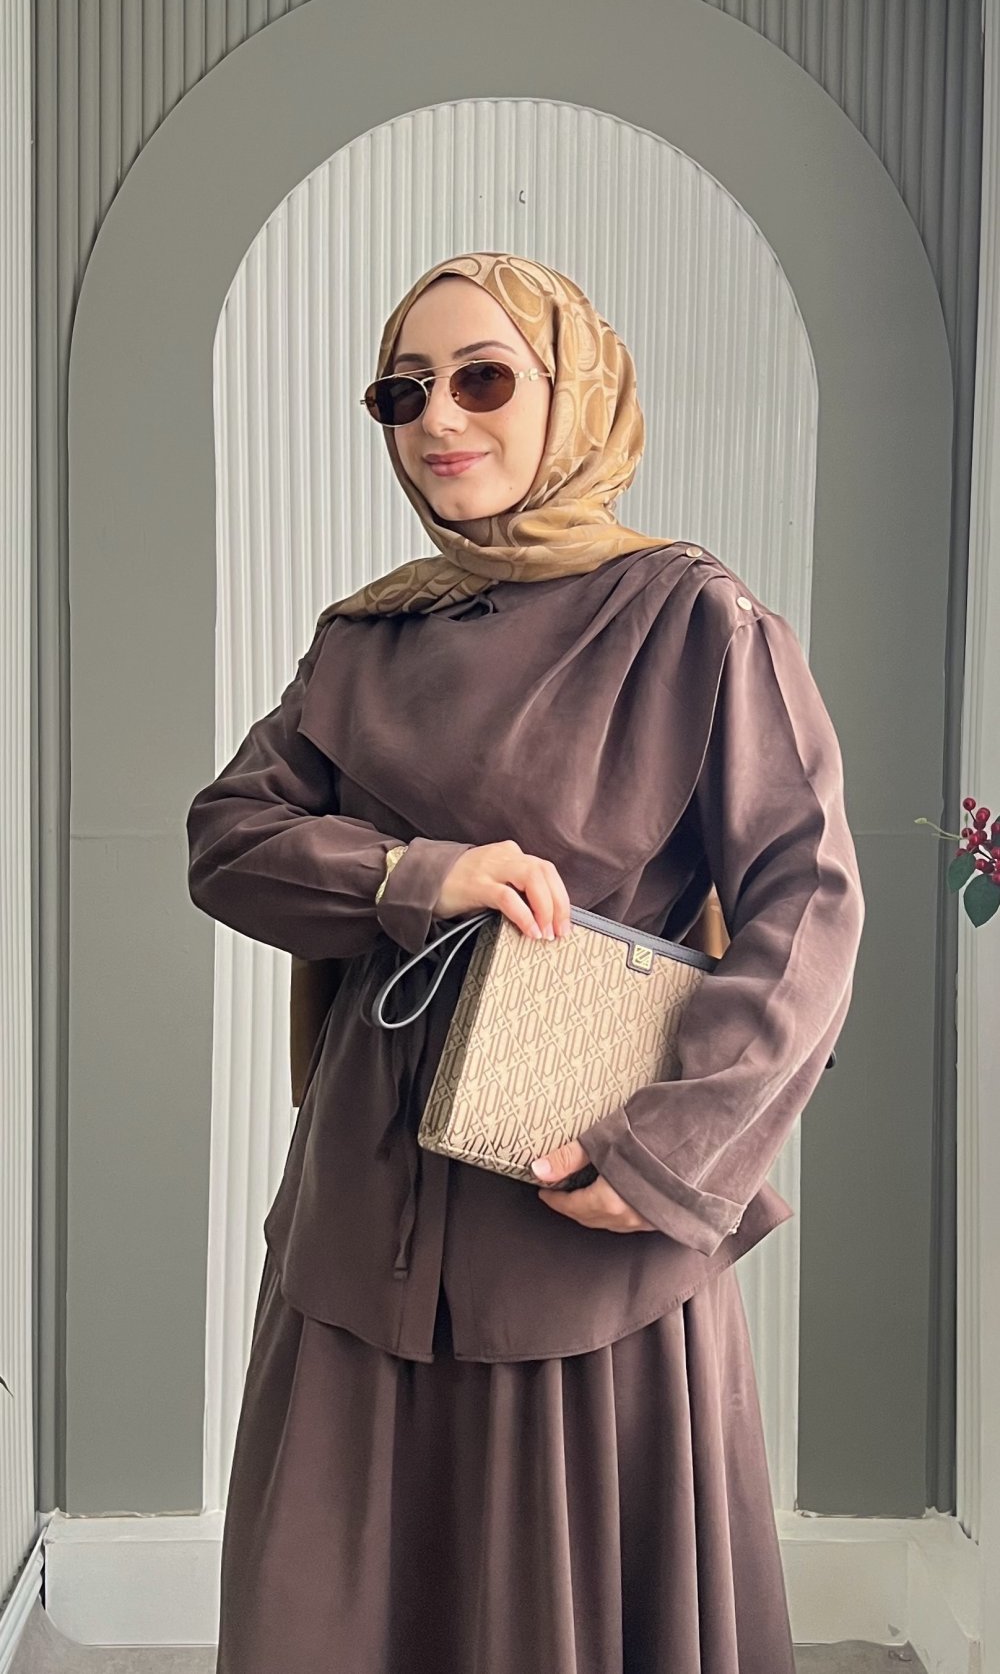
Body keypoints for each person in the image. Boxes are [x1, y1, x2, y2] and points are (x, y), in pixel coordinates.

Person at [186, 250, 865, 1674]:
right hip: (365, 1212)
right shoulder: (364, 641)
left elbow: (805, 900)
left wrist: (668, 1154)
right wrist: (410, 874)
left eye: (484, 378)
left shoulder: (691, 619)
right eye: (404, 390)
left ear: (573, 394)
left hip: (581, 1213)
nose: (440, 417)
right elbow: (229, 839)